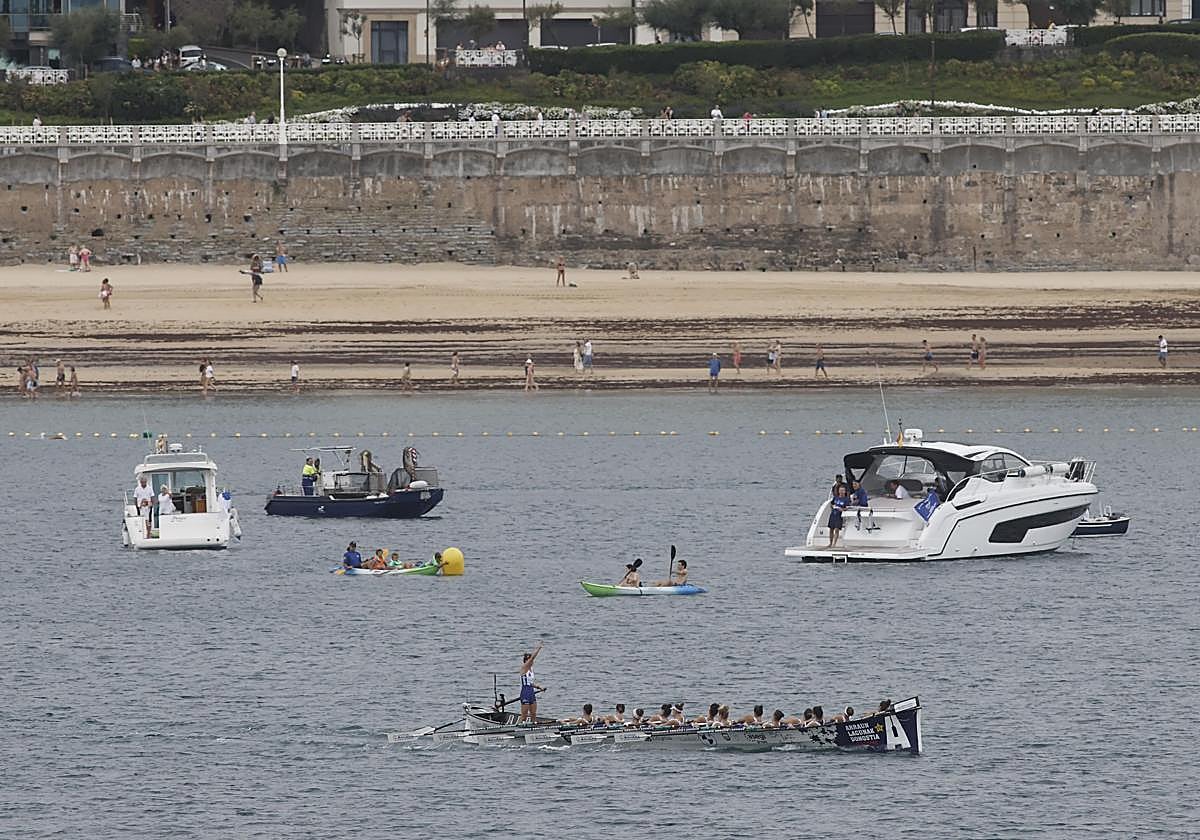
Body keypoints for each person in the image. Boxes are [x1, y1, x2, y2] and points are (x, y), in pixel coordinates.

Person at [518, 641, 544, 724]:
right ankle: (518, 726)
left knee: (533, 714)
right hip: (525, 692)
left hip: (531, 692)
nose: (531, 662)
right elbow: (533, 658)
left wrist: (538, 687)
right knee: (524, 716)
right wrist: (538, 648)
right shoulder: (524, 668)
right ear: (526, 661)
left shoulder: (531, 670)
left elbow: (530, 683)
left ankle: (533, 727)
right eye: (529, 660)